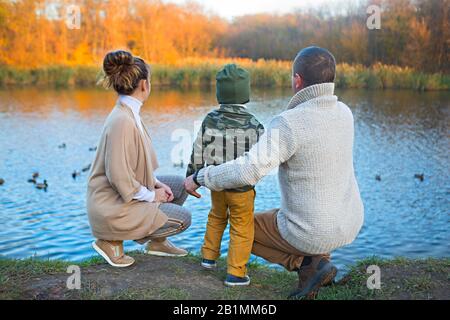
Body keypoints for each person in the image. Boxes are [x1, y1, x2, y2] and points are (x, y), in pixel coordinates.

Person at [185, 46, 364, 299]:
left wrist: (199, 177)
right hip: (348, 222)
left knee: (243, 227)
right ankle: (319, 262)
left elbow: (248, 170)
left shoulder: (289, 122)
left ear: (297, 80)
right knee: (303, 206)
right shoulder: (346, 113)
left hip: (312, 229)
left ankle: (305, 265)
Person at [87, 50, 191, 268]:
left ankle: (157, 243)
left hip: (125, 195)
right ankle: (110, 241)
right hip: (112, 206)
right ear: (144, 84)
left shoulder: (130, 113)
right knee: (183, 218)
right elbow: (118, 175)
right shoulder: (121, 120)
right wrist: (153, 196)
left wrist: (156, 183)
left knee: (179, 186)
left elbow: (134, 164)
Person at [186, 64, 264, 286]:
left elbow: (198, 150)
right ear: (245, 92)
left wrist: (192, 177)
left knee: (216, 217)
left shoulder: (210, 119)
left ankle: (208, 257)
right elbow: (263, 157)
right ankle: (236, 273)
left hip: (216, 185)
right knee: (241, 226)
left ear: (220, 92)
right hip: (242, 189)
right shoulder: (255, 124)